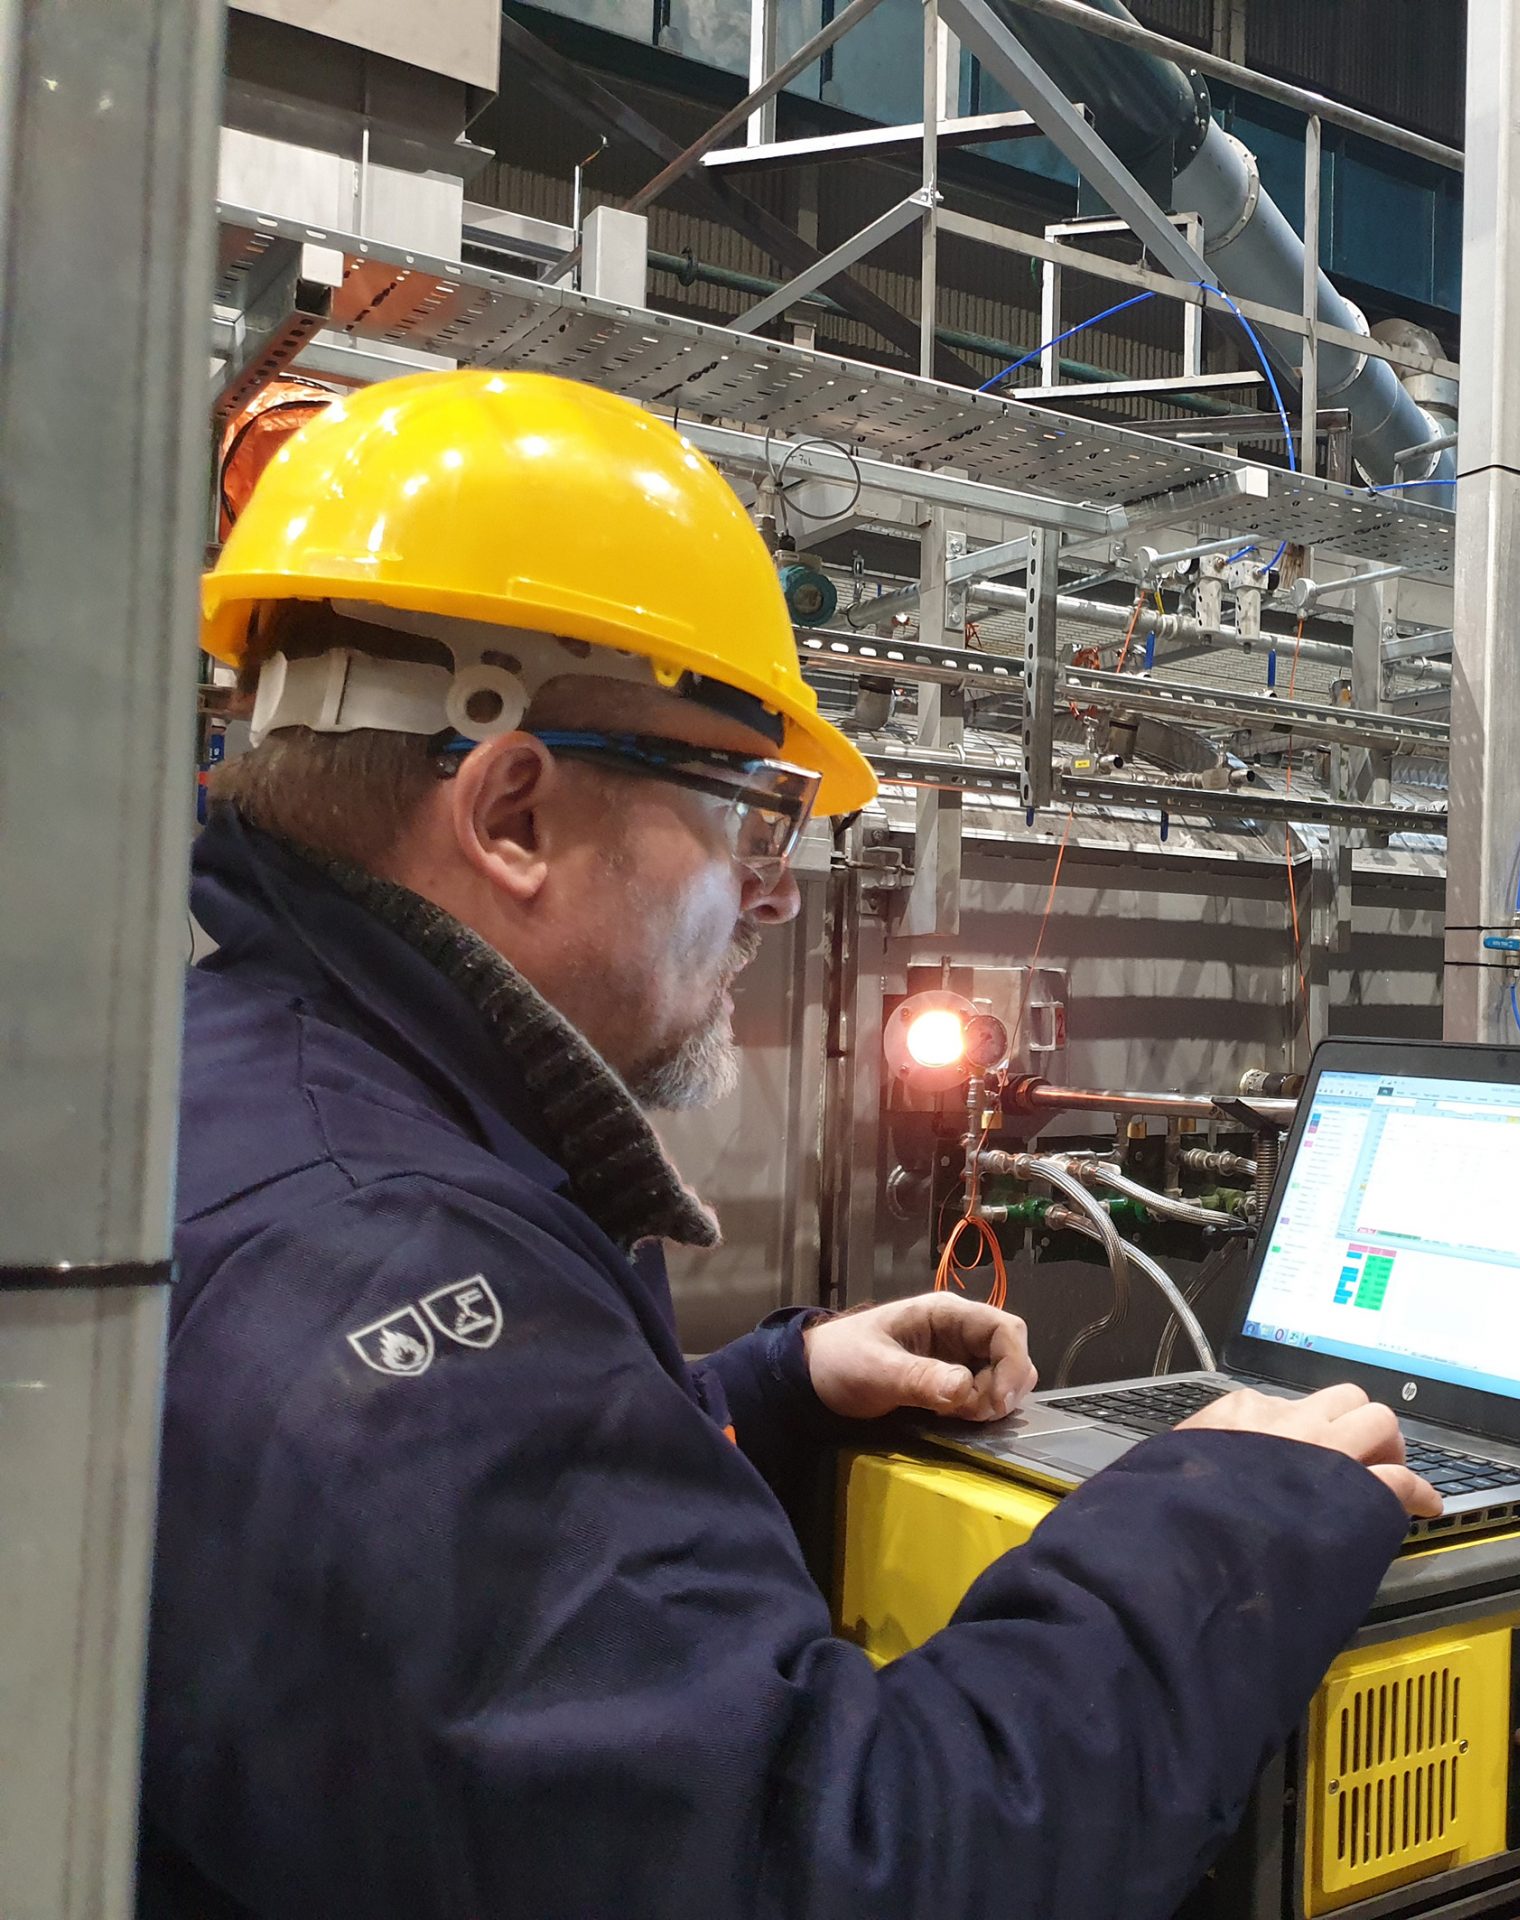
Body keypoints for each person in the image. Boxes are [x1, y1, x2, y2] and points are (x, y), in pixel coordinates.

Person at [146, 369, 1440, 1919]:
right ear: (511, 813)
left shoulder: (247, 1094)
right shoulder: (380, 1249)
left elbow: (442, 1547)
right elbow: (851, 1866)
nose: (772, 897)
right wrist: (1219, 1509)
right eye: (748, 823)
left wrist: (765, 1388)